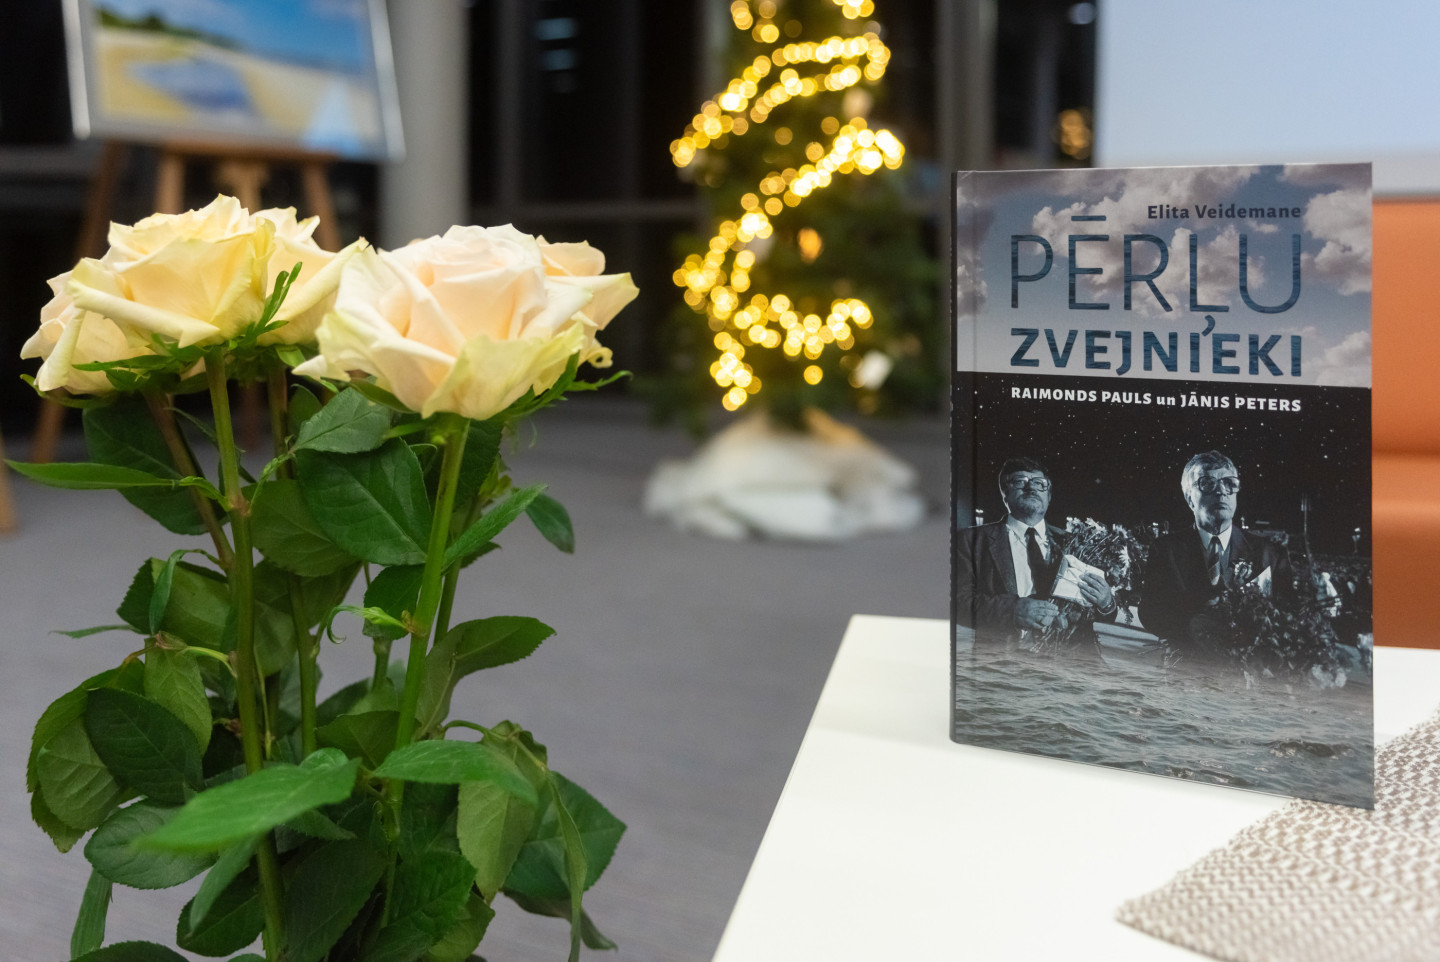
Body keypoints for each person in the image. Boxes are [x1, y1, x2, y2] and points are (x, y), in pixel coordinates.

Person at [955, 457, 1117, 653]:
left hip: (1070, 663)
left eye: (1040, 484)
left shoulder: (1077, 543)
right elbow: (957, 603)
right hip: (1002, 660)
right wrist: (1012, 611)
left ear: (1049, 496)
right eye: (1020, 481)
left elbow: (1103, 614)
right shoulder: (972, 541)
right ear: (1005, 494)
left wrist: (1106, 603)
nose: (1031, 487)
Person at [1140, 450, 1293, 649]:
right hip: (1188, 661)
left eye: (1229, 483)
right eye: (1207, 484)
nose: (1221, 491)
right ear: (1189, 498)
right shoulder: (1165, 549)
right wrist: (1193, 627)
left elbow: (1288, 617)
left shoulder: (1271, 554)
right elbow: (1149, 613)